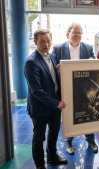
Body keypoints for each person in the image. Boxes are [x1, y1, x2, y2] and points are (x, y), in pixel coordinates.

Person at [51, 23, 98, 155]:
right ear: (67, 34)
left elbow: (94, 67)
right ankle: (69, 141)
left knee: (89, 113)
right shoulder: (58, 49)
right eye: (74, 32)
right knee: (68, 115)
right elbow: (53, 70)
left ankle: (91, 139)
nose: (77, 35)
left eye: (80, 33)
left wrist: (92, 62)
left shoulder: (88, 48)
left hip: (85, 90)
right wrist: (57, 69)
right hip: (66, 89)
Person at [24, 29, 67, 169]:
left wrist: (60, 72)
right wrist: (57, 103)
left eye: (48, 41)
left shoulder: (52, 56)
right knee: (39, 138)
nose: (46, 44)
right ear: (35, 42)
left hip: (55, 104)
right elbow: (36, 91)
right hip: (40, 107)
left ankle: (52, 156)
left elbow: (52, 79)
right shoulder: (31, 62)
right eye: (42, 41)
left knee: (54, 132)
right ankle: (40, 165)